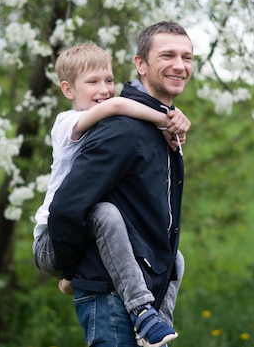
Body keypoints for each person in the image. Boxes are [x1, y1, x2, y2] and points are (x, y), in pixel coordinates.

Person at [33, 42, 189, 347]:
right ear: (68, 89)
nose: (104, 89)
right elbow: (118, 106)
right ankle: (141, 310)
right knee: (106, 212)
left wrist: (170, 130)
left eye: (108, 80)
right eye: (92, 82)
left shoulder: (104, 123)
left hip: (78, 237)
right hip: (50, 241)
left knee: (175, 257)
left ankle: (158, 322)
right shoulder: (67, 122)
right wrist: (166, 118)